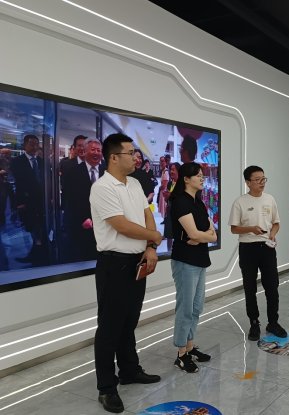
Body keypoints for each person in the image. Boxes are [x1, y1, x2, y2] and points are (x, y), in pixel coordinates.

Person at [90, 133, 163, 413]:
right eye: (130, 153)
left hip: (137, 260)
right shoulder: (102, 188)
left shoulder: (134, 183)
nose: (135, 157)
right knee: (110, 326)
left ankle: (129, 370)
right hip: (114, 264)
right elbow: (121, 225)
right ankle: (106, 388)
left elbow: (147, 214)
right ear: (113, 157)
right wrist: (153, 235)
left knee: (129, 321)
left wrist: (151, 246)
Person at [229, 165, 287, 341]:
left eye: (263, 179)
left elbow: (276, 223)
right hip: (248, 248)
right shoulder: (240, 202)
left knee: (272, 286)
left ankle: (273, 323)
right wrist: (251, 229)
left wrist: (273, 234)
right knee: (250, 288)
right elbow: (234, 229)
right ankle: (254, 323)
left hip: (267, 248)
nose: (262, 182)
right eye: (257, 180)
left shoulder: (270, 199)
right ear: (248, 182)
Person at [170, 162, 216, 373]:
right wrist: (201, 236)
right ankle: (181, 354)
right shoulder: (180, 202)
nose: (202, 178)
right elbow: (194, 234)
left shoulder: (199, 202)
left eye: (202, 175)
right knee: (186, 308)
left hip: (200, 258)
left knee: (196, 307)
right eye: (197, 175)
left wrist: (201, 237)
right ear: (186, 179)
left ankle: (189, 347)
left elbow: (212, 234)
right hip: (185, 261)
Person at [64, 138, 105, 261]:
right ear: (85, 151)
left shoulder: (107, 171)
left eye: (99, 150)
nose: (96, 153)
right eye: (93, 150)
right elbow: (69, 199)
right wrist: (81, 219)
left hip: (105, 226)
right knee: (85, 257)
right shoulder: (73, 172)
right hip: (83, 226)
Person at [11, 134, 47, 265]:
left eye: (37, 144)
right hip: (27, 201)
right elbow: (17, 184)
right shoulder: (17, 161)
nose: (35, 147)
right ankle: (36, 253)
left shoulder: (42, 162)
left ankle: (39, 253)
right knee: (31, 227)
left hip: (42, 202)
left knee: (41, 226)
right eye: (31, 144)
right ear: (24, 145)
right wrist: (19, 203)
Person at [163, 162, 180, 251]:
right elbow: (167, 200)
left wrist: (171, 195)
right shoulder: (170, 183)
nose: (171, 172)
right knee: (169, 234)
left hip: (179, 213)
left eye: (173, 170)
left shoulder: (182, 184)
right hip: (170, 211)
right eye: (170, 170)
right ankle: (168, 251)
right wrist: (166, 197)